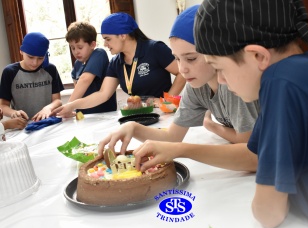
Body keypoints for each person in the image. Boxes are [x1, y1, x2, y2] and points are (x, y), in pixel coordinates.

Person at [193, 0, 308, 228]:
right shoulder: (305, 66)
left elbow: (269, 213)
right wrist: (180, 150)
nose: (222, 81)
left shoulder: (281, 82)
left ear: (258, 56)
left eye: (218, 68)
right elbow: (253, 156)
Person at [97, 5, 259, 173]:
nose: (182, 69)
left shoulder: (234, 83)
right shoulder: (197, 86)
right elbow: (172, 137)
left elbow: (251, 153)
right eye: (177, 59)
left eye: (191, 58)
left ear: (215, 51)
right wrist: (133, 127)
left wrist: (197, 139)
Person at [52, 12, 186, 118]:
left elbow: (182, 72)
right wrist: (71, 105)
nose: (105, 44)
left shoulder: (154, 49)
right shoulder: (116, 63)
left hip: (165, 115)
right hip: (140, 116)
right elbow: (103, 94)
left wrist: (165, 101)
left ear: (122, 35)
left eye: (108, 39)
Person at [0, 32, 64, 121]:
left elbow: (57, 101)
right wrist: (13, 113)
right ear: (21, 51)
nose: (35, 63)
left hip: (48, 122)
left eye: (40, 58)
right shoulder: (9, 72)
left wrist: (48, 108)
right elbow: (3, 106)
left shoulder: (51, 69)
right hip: (22, 126)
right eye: (30, 57)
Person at [65, 21, 116, 115]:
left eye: (80, 47)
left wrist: (68, 107)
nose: (76, 52)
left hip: (104, 115)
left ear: (92, 45)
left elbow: (85, 79)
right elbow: (78, 90)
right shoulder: (77, 64)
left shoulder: (99, 54)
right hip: (84, 116)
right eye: (72, 48)